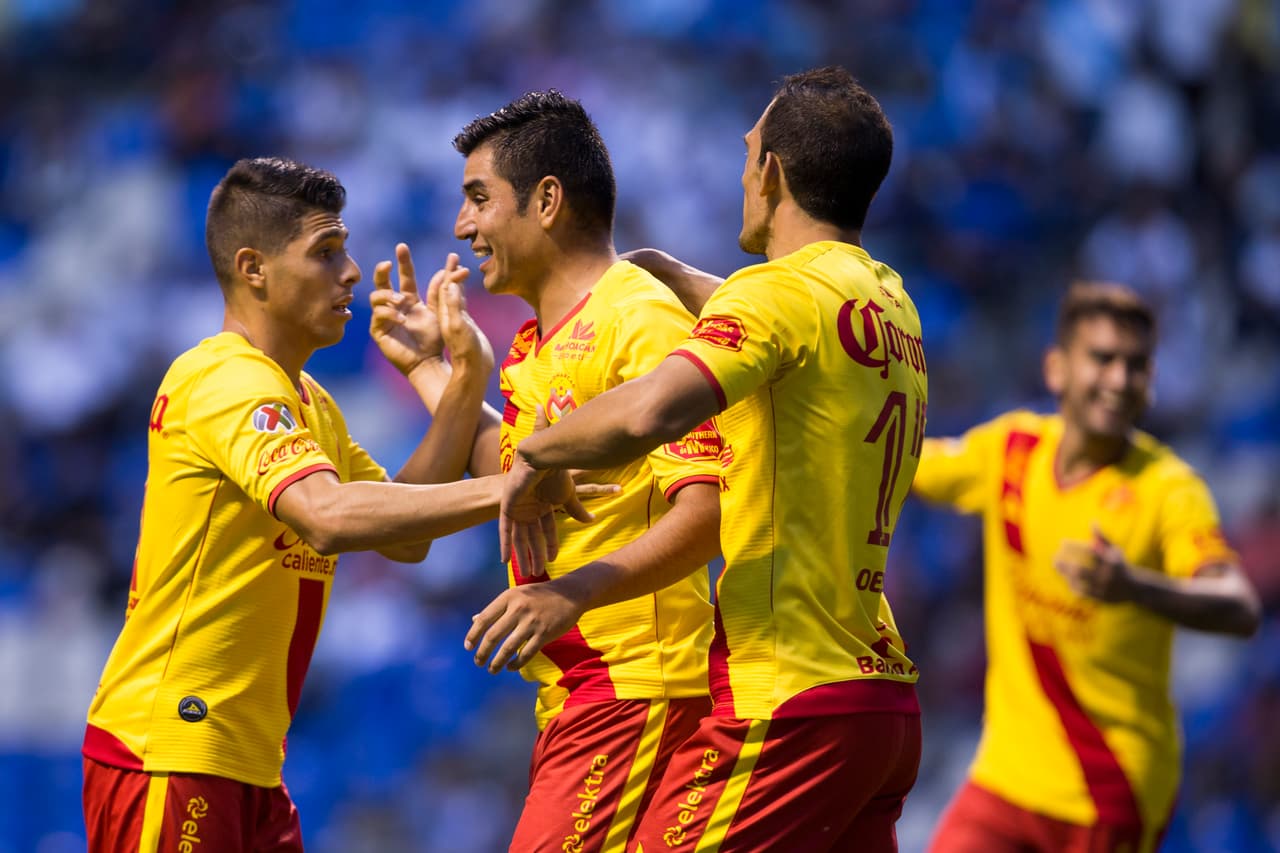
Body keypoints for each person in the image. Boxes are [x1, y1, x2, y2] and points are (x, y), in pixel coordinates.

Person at [81, 156, 597, 852]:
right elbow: (325, 518)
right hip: (171, 749)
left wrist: (446, 374)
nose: (352, 271)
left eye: (345, 250)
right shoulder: (223, 378)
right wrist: (513, 483)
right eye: (326, 253)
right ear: (253, 268)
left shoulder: (308, 402)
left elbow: (401, 528)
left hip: (247, 763)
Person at [479, 66, 926, 852]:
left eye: (748, 153)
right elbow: (791, 334)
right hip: (879, 699)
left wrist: (539, 453)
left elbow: (650, 410)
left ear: (773, 173)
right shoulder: (887, 300)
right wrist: (678, 276)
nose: (742, 173)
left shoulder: (773, 293)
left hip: (790, 696)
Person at [391, 90, 724, 852]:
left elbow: (709, 510)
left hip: (640, 686)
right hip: (580, 696)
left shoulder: (639, 317)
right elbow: (504, 468)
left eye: (479, 199)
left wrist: (570, 593)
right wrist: (431, 369)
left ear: (546, 201)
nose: (461, 226)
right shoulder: (538, 343)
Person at [911, 281, 1261, 852]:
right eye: (1102, 359)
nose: (1120, 381)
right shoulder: (1012, 451)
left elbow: (1240, 608)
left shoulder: (1167, 490)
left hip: (1109, 786)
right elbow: (908, 461)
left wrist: (1135, 588)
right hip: (1006, 776)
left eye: (1137, 365)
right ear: (1056, 369)